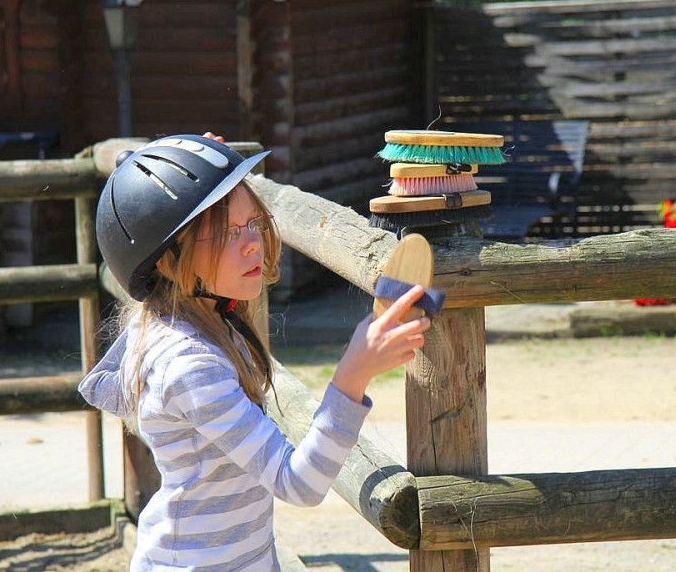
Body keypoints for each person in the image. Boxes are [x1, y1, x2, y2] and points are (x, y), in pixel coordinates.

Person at [78, 133, 430, 571]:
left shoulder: (190, 319)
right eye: (226, 232)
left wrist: (211, 165)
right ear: (166, 262)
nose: (252, 243)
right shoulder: (188, 365)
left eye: (253, 224)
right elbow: (297, 483)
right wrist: (352, 376)